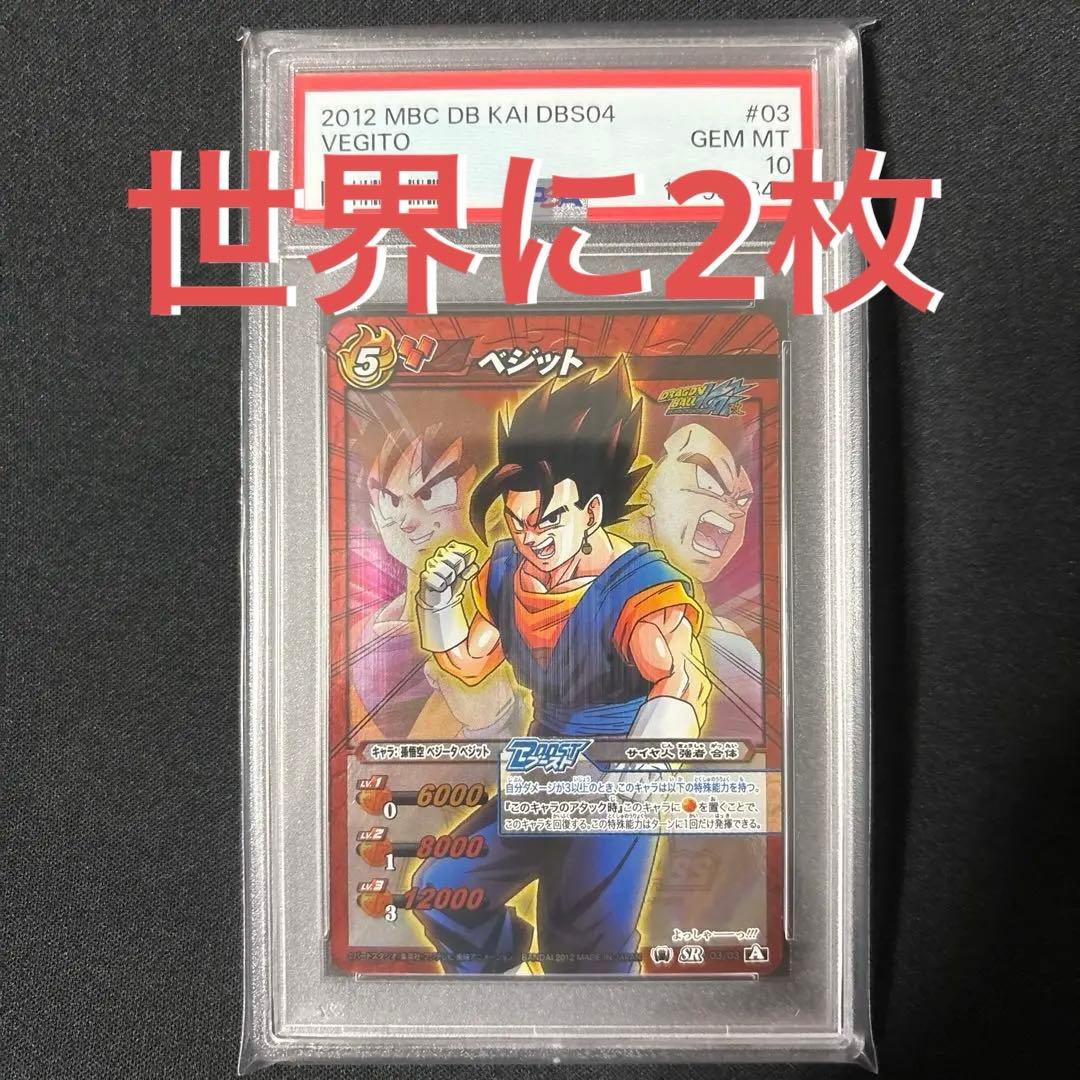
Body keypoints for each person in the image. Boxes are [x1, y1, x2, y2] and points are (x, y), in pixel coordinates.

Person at [410, 357, 711, 974]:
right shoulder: (507, 571)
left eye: (549, 521)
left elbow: (681, 681)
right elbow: (470, 662)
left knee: (583, 947)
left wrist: (633, 776)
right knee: (444, 891)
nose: (533, 539)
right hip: (544, 765)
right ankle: (511, 1006)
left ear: (591, 513)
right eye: (519, 523)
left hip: (620, 774)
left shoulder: (637, 588)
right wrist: (437, 606)